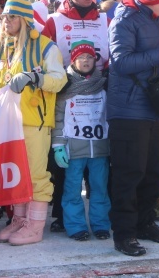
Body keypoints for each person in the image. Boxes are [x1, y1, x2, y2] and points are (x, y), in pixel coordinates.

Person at [0, 0, 67, 245]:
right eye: (5, 16)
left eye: (12, 17)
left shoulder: (46, 46)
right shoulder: (1, 47)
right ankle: (19, 220)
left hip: (33, 121)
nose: (6, 21)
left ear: (26, 19)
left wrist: (35, 78)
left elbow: (59, 79)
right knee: (15, 174)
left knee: (36, 174)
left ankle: (35, 227)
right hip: (6, 122)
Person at [107, 0, 159, 257]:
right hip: (128, 108)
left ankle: (145, 223)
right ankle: (124, 234)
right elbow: (121, 61)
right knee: (129, 173)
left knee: (153, 171)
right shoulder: (124, 19)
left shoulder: (158, 17)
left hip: (153, 105)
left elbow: (153, 56)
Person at [52, 40, 111, 242]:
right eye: (80, 58)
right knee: (72, 190)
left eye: (89, 57)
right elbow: (58, 119)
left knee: (100, 189)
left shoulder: (104, 86)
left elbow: (110, 118)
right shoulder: (65, 86)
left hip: (100, 149)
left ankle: (101, 224)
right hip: (73, 150)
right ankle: (76, 226)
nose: (85, 61)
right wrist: (58, 146)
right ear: (74, 61)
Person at [42, 0, 108, 69]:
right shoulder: (54, 21)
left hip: (100, 80)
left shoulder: (105, 20)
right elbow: (42, 53)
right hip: (65, 80)